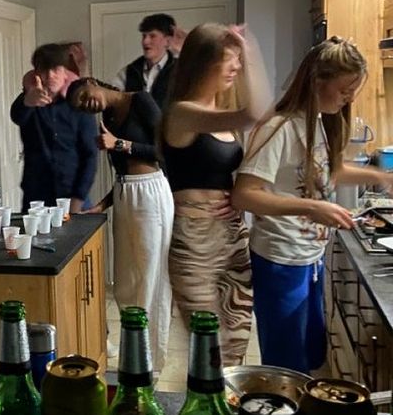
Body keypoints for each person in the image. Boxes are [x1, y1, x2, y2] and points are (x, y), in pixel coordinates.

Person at [232, 37, 391, 374]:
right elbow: (245, 194)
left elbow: (331, 170)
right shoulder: (280, 127)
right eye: (345, 89)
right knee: (286, 367)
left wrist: (383, 176)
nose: (350, 98)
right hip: (280, 260)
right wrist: (309, 208)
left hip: (308, 258)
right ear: (317, 81)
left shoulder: (317, 120)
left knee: (310, 359)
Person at [161, 24, 271, 366]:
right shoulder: (182, 113)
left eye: (239, 59)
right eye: (230, 59)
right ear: (203, 63)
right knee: (208, 352)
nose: (236, 67)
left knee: (235, 345)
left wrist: (238, 195)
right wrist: (249, 49)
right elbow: (257, 113)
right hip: (195, 245)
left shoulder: (219, 116)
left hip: (232, 239)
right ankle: (205, 414)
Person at [67, 76, 172, 375]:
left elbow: (165, 150)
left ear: (91, 82)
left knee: (151, 278)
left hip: (151, 192)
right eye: (82, 108)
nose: (88, 106)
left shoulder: (140, 100)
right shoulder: (108, 117)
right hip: (126, 193)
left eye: (85, 97)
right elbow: (122, 172)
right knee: (124, 281)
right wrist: (102, 205)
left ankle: (152, 358)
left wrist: (121, 144)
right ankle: (133, 351)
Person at [10, 43, 98, 212]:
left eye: (56, 69)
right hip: (36, 196)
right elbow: (17, 116)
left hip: (73, 193)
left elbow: (90, 155)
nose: (50, 76)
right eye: (44, 70)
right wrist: (28, 101)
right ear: (37, 73)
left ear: (64, 71)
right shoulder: (29, 99)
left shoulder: (78, 103)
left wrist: (78, 199)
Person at [112, 12, 181, 109]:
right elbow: (111, 97)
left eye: (152, 36)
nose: (145, 41)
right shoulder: (129, 71)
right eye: (144, 36)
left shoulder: (180, 69)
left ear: (167, 41)